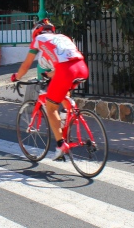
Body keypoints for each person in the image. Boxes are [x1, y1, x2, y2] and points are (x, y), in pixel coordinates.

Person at [10, 18, 88, 161]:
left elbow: (26, 65)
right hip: (82, 68)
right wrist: (48, 74)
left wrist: (16, 76)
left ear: (35, 33)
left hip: (66, 71)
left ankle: (60, 146)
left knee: (51, 107)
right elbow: (64, 62)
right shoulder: (62, 37)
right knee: (63, 95)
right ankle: (67, 116)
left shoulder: (38, 39)